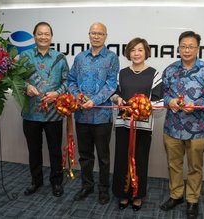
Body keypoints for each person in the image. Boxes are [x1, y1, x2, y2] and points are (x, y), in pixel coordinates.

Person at [160, 31, 204, 219]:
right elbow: (164, 94)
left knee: (195, 166)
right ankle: (175, 195)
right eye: (183, 46)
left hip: (197, 128)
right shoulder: (169, 70)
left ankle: (192, 199)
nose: (186, 50)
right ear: (178, 48)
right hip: (172, 126)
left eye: (191, 46)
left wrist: (197, 105)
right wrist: (171, 102)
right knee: (174, 164)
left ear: (198, 49)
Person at [67, 22, 119, 205]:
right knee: (85, 155)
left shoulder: (112, 58)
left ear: (106, 36)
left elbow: (112, 84)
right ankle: (86, 186)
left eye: (100, 33)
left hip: (102, 116)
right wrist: (79, 98)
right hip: (82, 116)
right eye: (93, 33)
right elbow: (71, 80)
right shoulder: (80, 58)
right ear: (89, 35)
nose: (96, 36)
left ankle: (104, 189)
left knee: (103, 157)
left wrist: (94, 101)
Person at [111, 38, 163, 211]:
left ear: (146, 52)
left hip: (143, 126)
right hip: (123, 124)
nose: (136, 53)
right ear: (128, 53)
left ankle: (137, 195)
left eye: (140, 50)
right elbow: (115, 94)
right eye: (133, 50)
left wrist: (143, 105)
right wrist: (118, 98)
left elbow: (159, 101)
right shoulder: (122, 73)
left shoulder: (154, 73)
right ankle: (123, 193)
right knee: (121, 160)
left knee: (139, 160)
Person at [21, 22, 69, 197]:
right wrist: (26, 86)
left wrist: (57, 93)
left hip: (53, 114)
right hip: (31, 114)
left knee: (55, 150)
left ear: (51, 37)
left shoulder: (60, 57)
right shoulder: (24, 57)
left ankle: (56, 182)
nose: (43, 37)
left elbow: (67, 82)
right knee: (34, 150)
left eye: (46, 34)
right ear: (34, 36)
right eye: (40, 34)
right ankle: (36, 181)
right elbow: (15, 79)